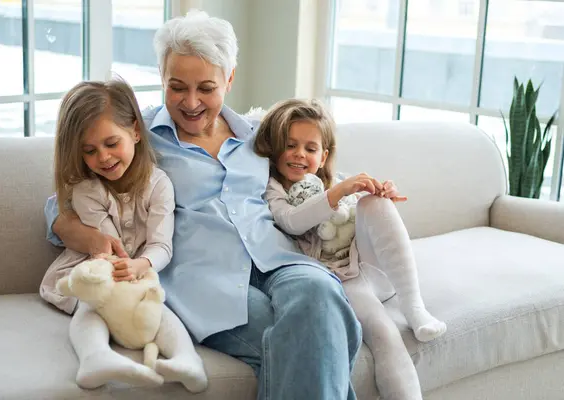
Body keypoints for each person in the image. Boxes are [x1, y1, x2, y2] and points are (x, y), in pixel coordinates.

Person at [44, 10, 362, 400]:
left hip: (278, 259)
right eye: (177, 87)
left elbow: (314, 173)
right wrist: (93, 240)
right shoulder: (138, 136)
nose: (191, 102)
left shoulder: (259, 134)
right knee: (305, 337)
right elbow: (60, 204)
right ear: (162, 79)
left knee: (322, 296)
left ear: (229, 80)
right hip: (205, 281)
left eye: (206, 88)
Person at [254, 98, 448, 400]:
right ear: (274, 148)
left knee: (375, 202)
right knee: (386, 336)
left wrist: (379, 193)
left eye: (310, 148)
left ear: (324, 155)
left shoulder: (334, 181)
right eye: (289, 145)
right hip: (340, 281)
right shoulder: (274, 190)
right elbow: (292, 222)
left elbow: (363, 218)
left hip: (369, 267)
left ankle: (414, 307)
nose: (299, 155)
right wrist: (340, 191)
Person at [39, 79, 207, 392]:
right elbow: (109, 248)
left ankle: (187, 359)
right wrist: (122, 271)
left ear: (135, 131)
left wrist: (142, 265)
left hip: (137, 272)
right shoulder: (86, 190)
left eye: (111, 143)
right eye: (90, 151)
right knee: (94, 304)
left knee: (159, 306)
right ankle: (95, 357)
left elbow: (161, 246)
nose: (103, 157)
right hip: (97, 270)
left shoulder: (159, 185)